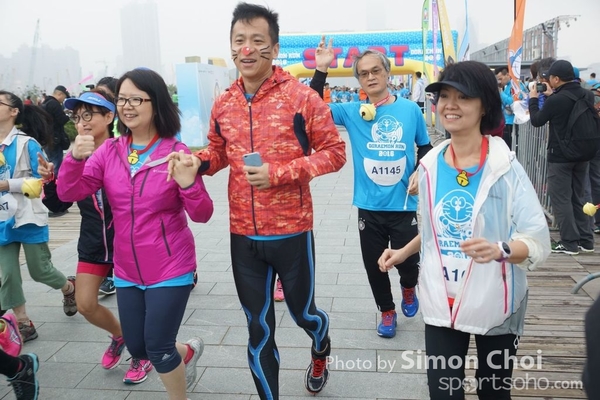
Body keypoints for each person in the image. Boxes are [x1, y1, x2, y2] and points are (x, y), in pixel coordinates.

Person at [170, 3, 346, 398]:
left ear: (274, 48)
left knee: (304, 315)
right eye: (239, 40)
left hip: (291, 233)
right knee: (258, 327)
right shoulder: (224, 102)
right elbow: (218, 153)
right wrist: (196, 163)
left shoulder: (301, 97)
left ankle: (320, 345)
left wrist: (279, 173)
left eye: (256, 40)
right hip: (243, 237)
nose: (246, 49)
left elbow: (335, 153)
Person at [378, 61, 550, 399]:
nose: (450, 105)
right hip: (442, 302)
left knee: (493, 392)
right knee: (443, 392)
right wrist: (402, 252)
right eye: (444, 96)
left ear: (484, 105)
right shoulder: (428, 166)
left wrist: (500, 249)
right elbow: (436, 231)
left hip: (496, 302)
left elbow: (536, 240)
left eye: (463, 97)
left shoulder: (505, 168)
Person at [56, 68, 214, 399]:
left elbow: (202, 214)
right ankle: (187, 353)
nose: (127, 106)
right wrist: (73, 159)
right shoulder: (109, 151)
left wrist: (189, 185)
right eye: (122, 99)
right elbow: (69, 192)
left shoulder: (175, 151)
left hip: (170, 266)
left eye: (136, 99)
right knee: (139, 346)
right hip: (127, 268)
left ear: (156, 104)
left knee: (157, 347)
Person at [309, 39, 432, 338]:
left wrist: (420, 171)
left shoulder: (410, 110)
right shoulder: (352, 111)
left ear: (387, 73)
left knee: (409, 262)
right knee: (375, 265)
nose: (371, 76)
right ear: (359, 80)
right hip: (368, 205)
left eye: (376, 70)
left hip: (403, 203)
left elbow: (426, 147)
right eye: (364, 73)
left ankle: (409, 288)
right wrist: (321, 69)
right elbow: (311, 107)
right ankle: (387, 311)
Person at [37, 89, 153, 384]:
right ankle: (120, 335)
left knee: (137, 308)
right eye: (77, 117)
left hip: (129, 244)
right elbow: (59, 204)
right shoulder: (75, 158)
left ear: (110, 116)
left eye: (89, 115)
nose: (82, 122)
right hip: (93, 242)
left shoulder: (129, 152)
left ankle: (141, 354)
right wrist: (49, 180)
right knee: (86, 304)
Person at [0, 91, 77, 343]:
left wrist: (6, 184)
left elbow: (39, 183)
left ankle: (68, 287)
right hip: (2, 219)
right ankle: (23, 322)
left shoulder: (27, 144)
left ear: (14, 112)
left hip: (28, 217)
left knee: (40, 270)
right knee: (8, 274)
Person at [529, 59, 596, 255]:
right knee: (578, 197)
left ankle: (569, 243)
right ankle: (586, 241)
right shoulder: (587, 95)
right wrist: (553, 95)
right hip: (583, 154)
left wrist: (533, 99)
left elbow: (537, 120)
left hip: (560, 156)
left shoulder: (556, 100)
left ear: (556, 79)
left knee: (561, 200)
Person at [41, 86, 71, 182]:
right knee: (56, 164)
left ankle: (49, 183)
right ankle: (56, 184)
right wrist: (68, 115)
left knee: (49, 163)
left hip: (46, 138)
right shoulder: (55, 104)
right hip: (55, 139)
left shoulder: (45, 103)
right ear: (60, 94)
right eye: (64, 97)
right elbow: (61, 120)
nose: (63, 100)